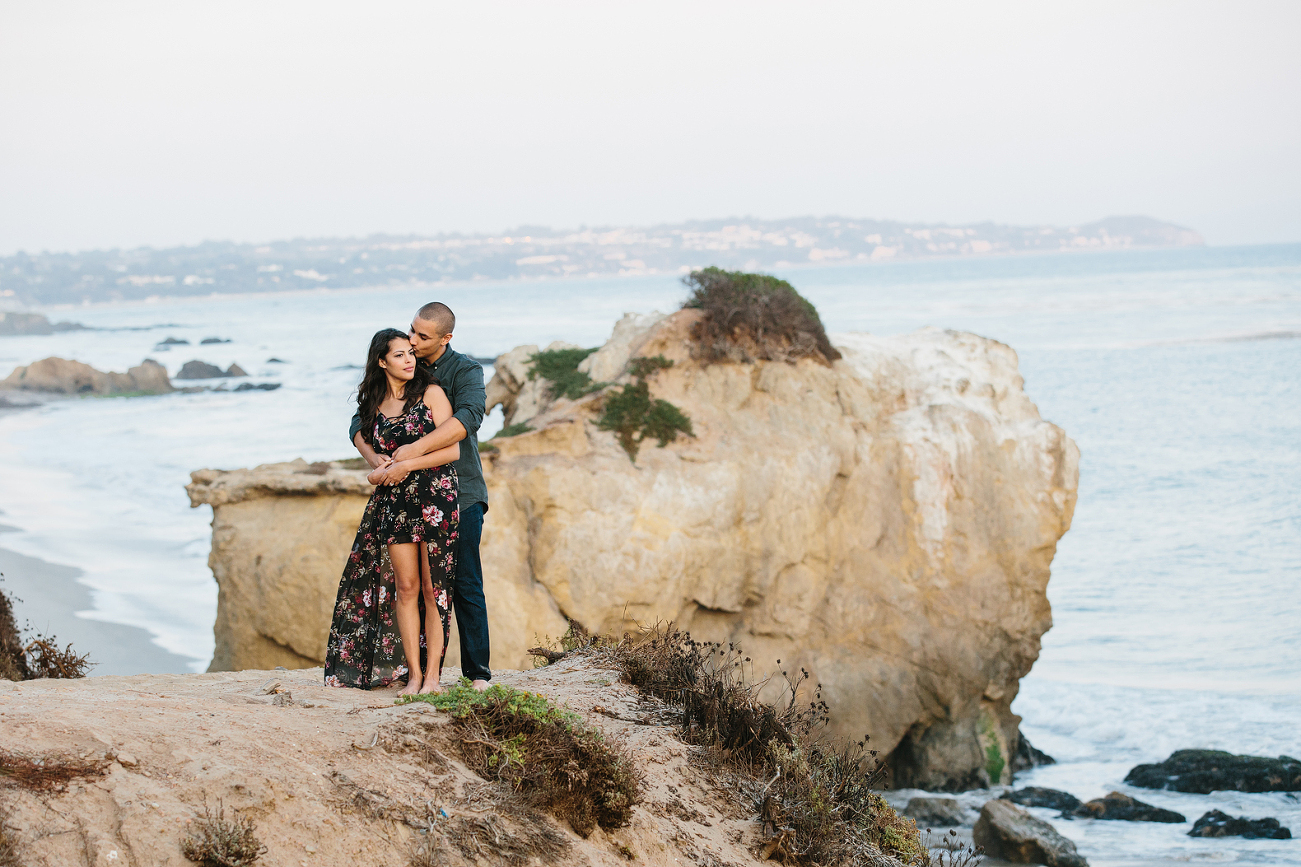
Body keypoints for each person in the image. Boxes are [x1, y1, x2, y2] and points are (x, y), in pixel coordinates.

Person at [348, 302, 492, 690]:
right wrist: (373, 456)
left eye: (421, 337)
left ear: (446, 338)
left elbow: (469, 418)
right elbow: (359, 421)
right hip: (405, 496)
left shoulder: (464, 371)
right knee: (411, 588)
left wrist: (415, 452)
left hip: (458, 491)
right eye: (411, 332)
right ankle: (421, 675)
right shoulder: (408, 366)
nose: (412, 341)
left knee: (462, 583)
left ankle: (477, 674)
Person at [325, 329, 461, 695]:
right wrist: (375, 463)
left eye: (410, 353)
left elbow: (452, 451)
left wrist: (407, 465)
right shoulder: (372, 402)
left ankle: (433, 677)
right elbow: (358, 434)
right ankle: (413, 675)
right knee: (405, 587)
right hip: (394, 504)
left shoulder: (431, 393)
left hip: (435, 498)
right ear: (382, 361)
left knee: (435, 591)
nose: (409, 359)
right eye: (399, 355)